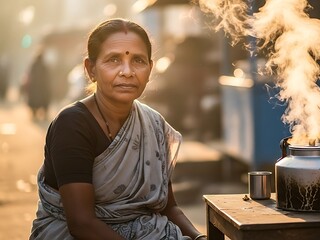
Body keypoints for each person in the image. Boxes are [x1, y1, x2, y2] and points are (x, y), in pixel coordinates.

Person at [30, 18, 207, 240]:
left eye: (138, 61)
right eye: (114, 60)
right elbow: (82, 223)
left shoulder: (154, 124)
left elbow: (168, 208)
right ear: (91, 69)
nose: (127, 71)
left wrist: (199, 238)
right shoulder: (72, 125)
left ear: (150, 69)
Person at [24, 48, 52, 120]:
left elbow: (29, 75)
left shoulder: (34, 64)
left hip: (35, 87)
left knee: (34, 101)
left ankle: (34, 114)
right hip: (42, 87)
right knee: (43, 100)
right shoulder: (43, 65)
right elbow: (47, 77)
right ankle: (42, 114)